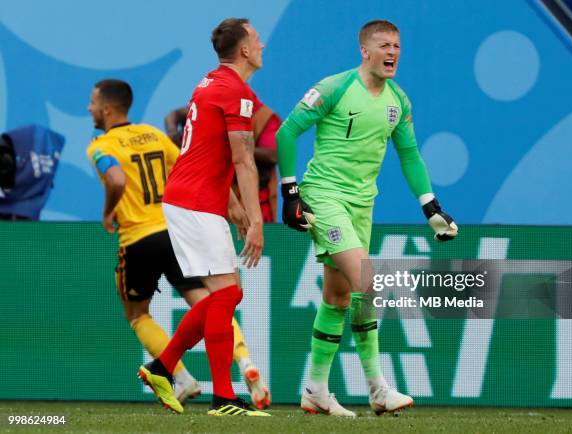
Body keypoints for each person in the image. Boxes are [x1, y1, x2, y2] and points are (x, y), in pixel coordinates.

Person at [276, 20, 458, 417]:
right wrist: (290, 193)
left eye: (396, 46)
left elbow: (409, 154)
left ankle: (315, 389)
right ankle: (378, 388)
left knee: (340, 296)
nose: (392, 53)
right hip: (324, 197)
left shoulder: (399, 101)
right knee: (368, 281)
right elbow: (286, 133)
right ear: (365, 51)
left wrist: (430, 206)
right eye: (384, 45)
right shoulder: (334, 88)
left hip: (362, 205)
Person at [85, 79, 269, 411]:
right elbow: (193, 169)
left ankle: (179, 376)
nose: (89, 108)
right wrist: (231, 204)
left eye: (92, 103)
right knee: (215, 299)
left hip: (138, 237)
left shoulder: (101, 145)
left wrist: (108, 210)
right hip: (175, 231)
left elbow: (115, 178)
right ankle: (243, 359)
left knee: (138, 314)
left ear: (107, 108)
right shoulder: (155, 135)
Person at [137, 18, 270, 417]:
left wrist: (230, 202)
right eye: (256, 38)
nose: (262, 44)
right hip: (194, 202)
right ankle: (223, 398)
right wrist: (255, 218)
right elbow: (244, 160)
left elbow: (204, 150)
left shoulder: (210, 82)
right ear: (244, 49)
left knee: (222, 296)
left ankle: (161, 368)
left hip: (194, 198)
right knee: (227, 294)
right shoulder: (237, 92)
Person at [165, 101, 280, 222]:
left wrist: (232, 147)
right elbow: (174, 115)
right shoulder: (211, 106)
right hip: (215, 198)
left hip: (255, 200)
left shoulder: (262, 115)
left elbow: (272, 155)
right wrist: (173, 131)